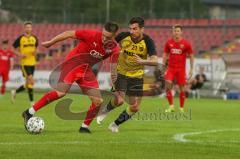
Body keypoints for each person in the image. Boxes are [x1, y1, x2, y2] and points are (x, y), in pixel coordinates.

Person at [21, 22, 120, 133]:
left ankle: (84, 127)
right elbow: (69, 33)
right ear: (102, 30)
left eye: (108, 37)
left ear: (114, 36)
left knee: (98, 101)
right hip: (72, 64)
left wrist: (116, 86)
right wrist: (50, 42)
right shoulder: (91, 34)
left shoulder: (114, 49)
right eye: (103, 35)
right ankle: (29, 112)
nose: (104, 38)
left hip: (86, 70)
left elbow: (114, 69)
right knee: (61, 93)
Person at [97, 17, 158, 133]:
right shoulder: (123, 36)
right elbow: (108, 44)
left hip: (137, 76)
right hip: (121, 72)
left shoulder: (148, 41)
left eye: (135, 29)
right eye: (130, 29)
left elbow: (155, 61)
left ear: (142, 29)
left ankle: (114, 124)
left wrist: (142, 61)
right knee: (119, 101)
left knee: (135, 107)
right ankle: (106, 110)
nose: (132, 31)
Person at [163, 24, 194, 113]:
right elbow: (165, 54)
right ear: (172, 32)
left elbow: (191, 56)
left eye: (178, 31)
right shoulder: (169, 43)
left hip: (181, 70)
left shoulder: (186, 44)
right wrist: (163, 65)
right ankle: (171, 106)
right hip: (171, 69)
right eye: (174, 31)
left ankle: (181, 108)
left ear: (181, 32)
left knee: (182, 89)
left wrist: (191, 69)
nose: (176, 33)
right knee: (168, 86)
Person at [11, 21, 38, 106]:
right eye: (27, 27)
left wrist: (35, 53)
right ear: (24, 28)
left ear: (31, 28)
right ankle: (32, 102)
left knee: (28, 84)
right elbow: (13, 49)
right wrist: (20, 54)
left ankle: (15, 91)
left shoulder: (34, 38)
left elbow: (36, 49)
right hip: (24, 63)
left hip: (32, 62)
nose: (28, 28)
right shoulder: (20, 39)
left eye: (30, 27)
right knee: (31, 80)